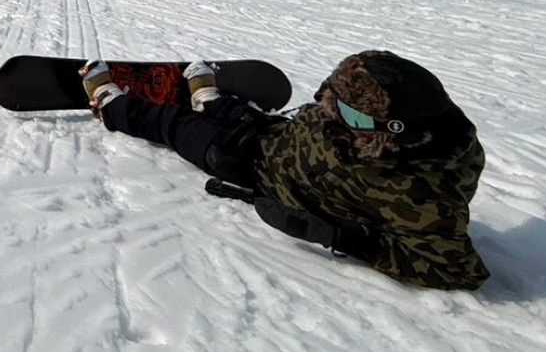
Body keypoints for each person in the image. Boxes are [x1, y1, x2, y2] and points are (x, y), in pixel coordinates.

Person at [80, 51, 490, 291]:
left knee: (180, 130)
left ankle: (114, 107)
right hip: (282, 139)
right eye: (333, 101)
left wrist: (341, 236)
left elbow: (457, 270)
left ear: (396, 130)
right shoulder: (357, 126)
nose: (334, 115)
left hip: (259, 172)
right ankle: (210, 99)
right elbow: (333, 120)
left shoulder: (422, 195)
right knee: (246, 121)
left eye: (349, 113)